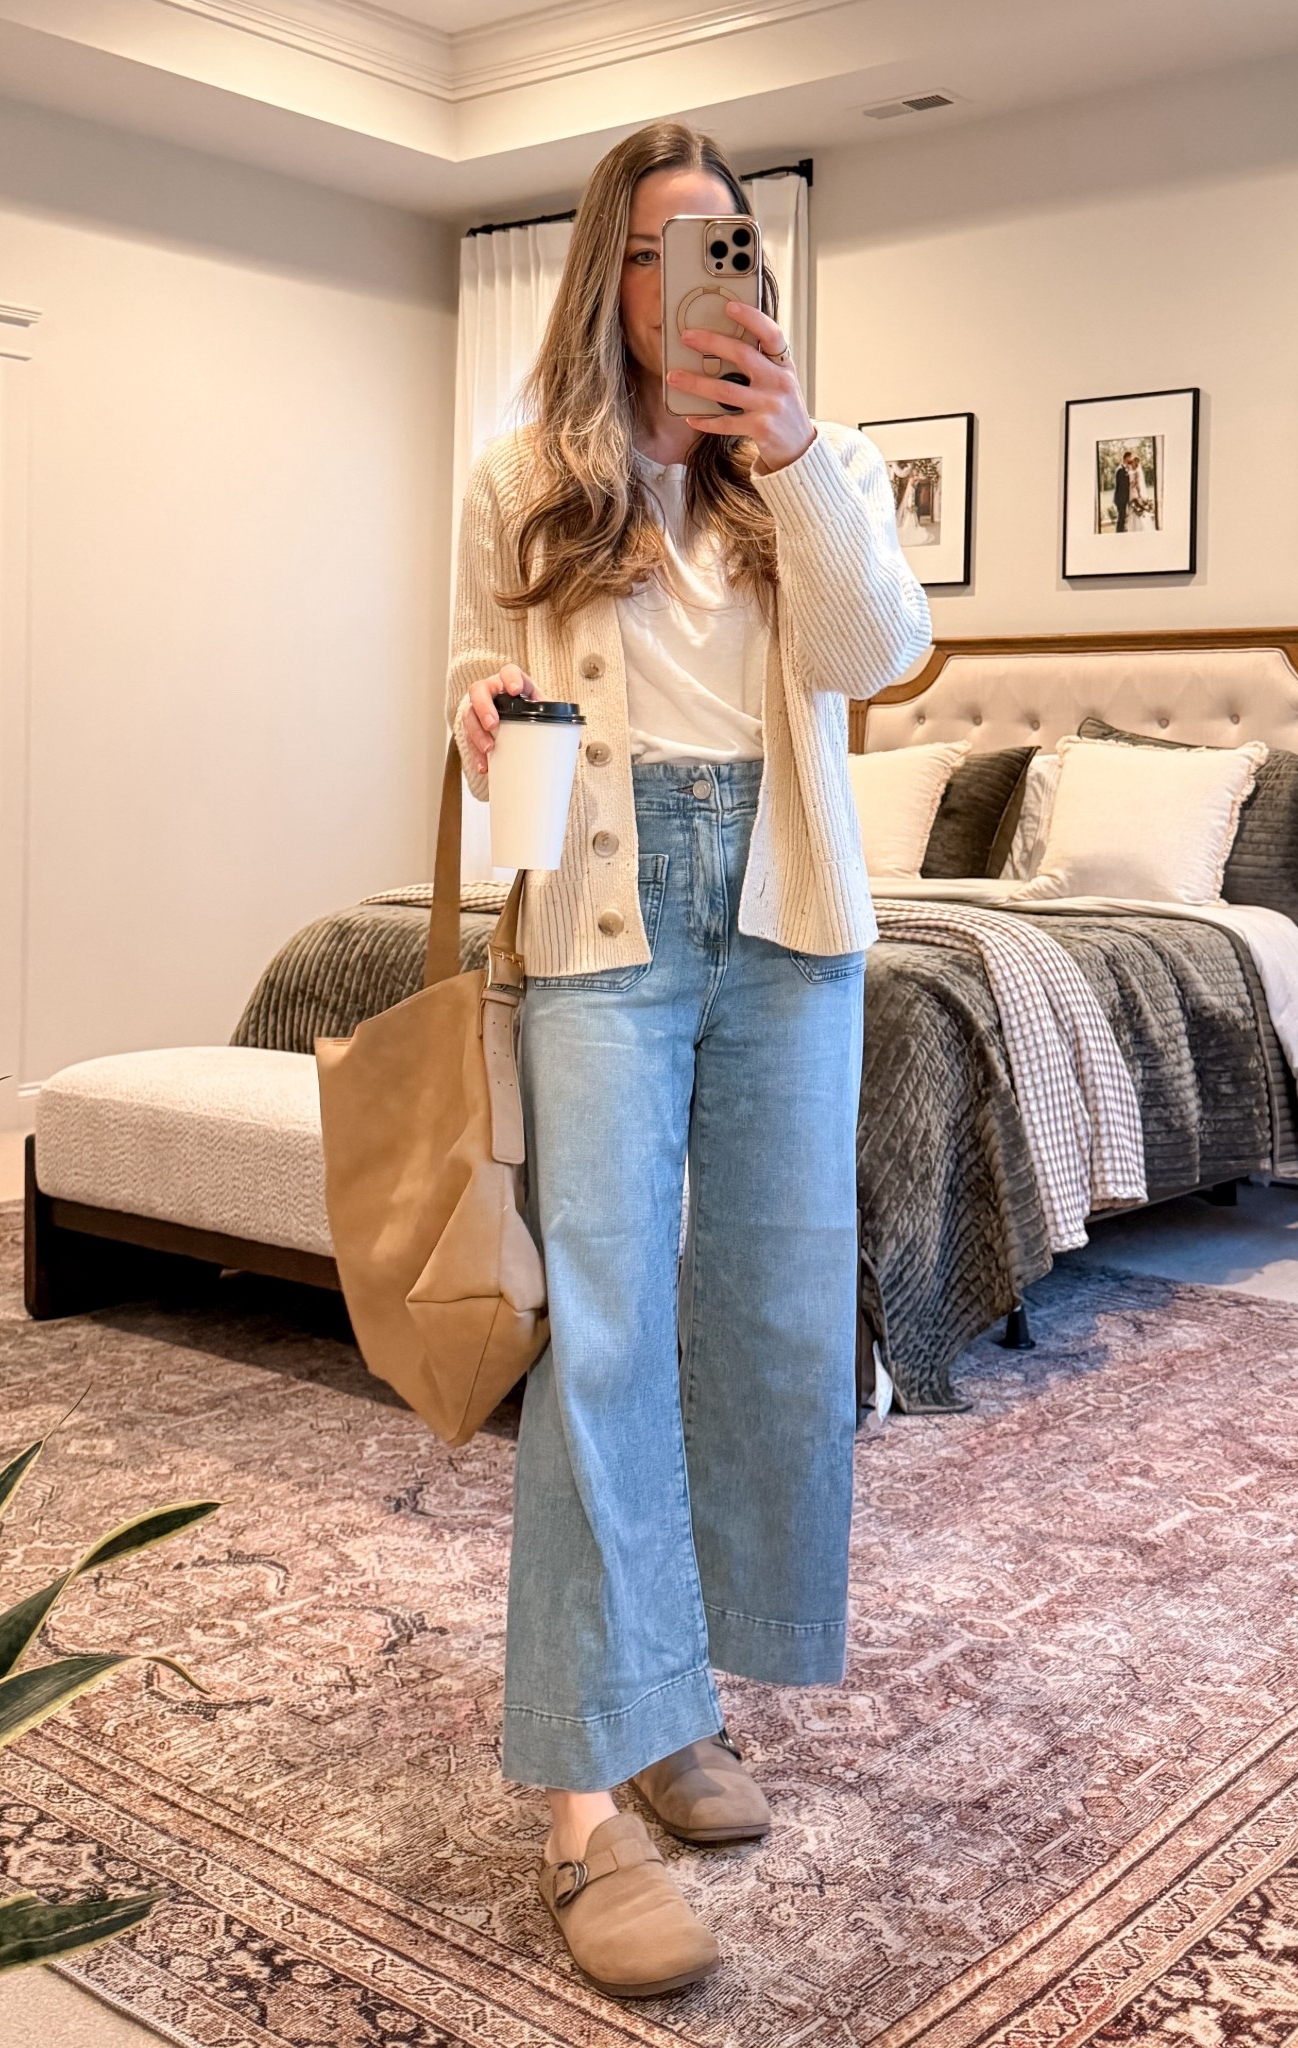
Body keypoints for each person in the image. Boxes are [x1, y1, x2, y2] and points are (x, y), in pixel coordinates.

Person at [447, 120, 931, 2000]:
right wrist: (476, 700)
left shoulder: (813, 464)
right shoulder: (524, 474)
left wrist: (791, 449)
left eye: (728, 243)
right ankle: (581, 1801)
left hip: (789, 910)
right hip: (596, 904)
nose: (702, 276)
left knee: (784, 1327)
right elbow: (477, 673)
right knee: (606, 1331)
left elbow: (879, 652)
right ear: (609, 278)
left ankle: (674, 1697)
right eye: (665, 248)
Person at [1112, 451, 1131, 532]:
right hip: (1120, 498)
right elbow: (1122, 486)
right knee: (1121, 517)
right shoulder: (1120, 469)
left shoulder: (1124, 468)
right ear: (1126, 458)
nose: (1130, 459)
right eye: (1130, 457)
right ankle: (1119, 533)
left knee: (1122, 517)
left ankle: (1121, 531)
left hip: (1123, 498)